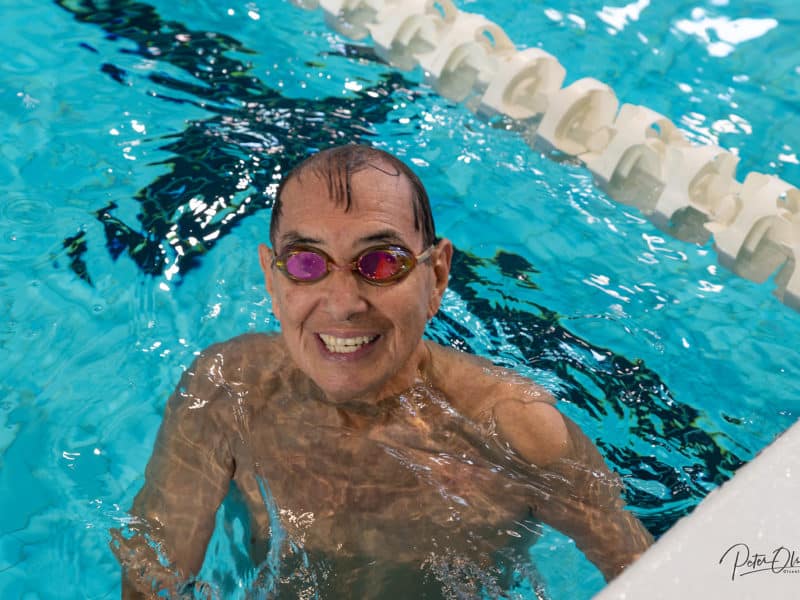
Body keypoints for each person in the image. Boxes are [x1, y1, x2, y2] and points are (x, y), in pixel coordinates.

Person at [113, 144, 653, 598]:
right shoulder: (227, 391)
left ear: (437, 276)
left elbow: (653, 579)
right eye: (306, 262)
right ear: (273, 282)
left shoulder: (514, 432)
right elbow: (152, 573)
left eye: (381, 263)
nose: (343, 302)